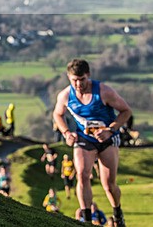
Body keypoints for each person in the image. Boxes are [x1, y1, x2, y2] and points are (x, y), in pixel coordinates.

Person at [53, 59, 132, 227]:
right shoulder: (65, 95)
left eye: (82, 79)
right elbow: (57, 115)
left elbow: (126, 111)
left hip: (107, 139)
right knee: (82, 175)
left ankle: (117, 213)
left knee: (109, 184)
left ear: (88, 75)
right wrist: (66, 133)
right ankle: (86, 219)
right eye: (74, 80)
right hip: (84, 139)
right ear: (68, 77)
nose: (78, 83)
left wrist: (111, 130)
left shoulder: (103, 91)